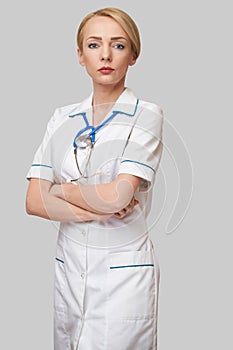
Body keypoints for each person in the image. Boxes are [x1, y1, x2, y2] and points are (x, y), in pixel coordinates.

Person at [25, 7, 164, 350]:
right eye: (93, 45)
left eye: (118, 45)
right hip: (70, 271)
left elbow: (117, 197)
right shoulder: (62, 118)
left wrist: (61, 189)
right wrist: (98, 202)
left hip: (123, 277)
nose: (105, 55)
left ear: (133, 55)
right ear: (80, 55)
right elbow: (32, 201)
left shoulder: (146, 115)